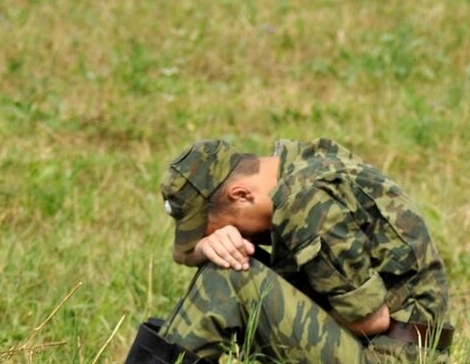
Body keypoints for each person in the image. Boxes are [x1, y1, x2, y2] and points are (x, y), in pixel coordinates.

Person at [156, 138, 453, 363]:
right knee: (230, 272)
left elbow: (372, 320)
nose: (234, 237)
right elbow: (184, 252)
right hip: (388, 346)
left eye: (226, 229)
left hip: (389, 355)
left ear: (241, 195)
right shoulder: (299, 164)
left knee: (230, 278)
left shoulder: (304, 202)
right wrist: (205, 248)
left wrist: (265, 309)